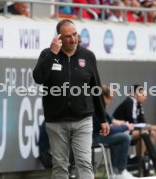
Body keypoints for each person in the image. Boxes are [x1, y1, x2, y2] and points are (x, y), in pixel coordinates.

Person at [33, 19, 109, 179]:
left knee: (84, 163)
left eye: (75, 34)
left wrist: (103, 118)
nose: (73, 39)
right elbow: (38, 78)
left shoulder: (87, 56)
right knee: (60, 165)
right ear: (59, 37)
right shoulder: (47, 54)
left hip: (83, 120)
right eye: (68, 36)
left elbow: (96, 88)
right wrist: (53, 53)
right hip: (56, 121)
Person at [113, 85, 156, 176]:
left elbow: (142, 122)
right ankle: (139, 163)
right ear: (135, 94)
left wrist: (152, 128)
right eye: (143, 94)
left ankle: (147, 161)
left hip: (132, 131)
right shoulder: (130, 102)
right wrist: (153, 127)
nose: (145, 97)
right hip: (120, 132)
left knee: (152, 133)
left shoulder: (139, 105)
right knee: (144, 132)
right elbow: (135, 124)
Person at [93, 85, 136, 179]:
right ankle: (120, 171)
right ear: (103, 97)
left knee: (121, 137)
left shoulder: (100, 107)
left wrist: (123, 123)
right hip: (94, 138)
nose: (109, 102)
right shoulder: (95, 109)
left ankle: (115, 172)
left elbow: (113, 121)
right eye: (109, 99)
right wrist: (126, 126)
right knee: (124, 138)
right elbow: (109, 130)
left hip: (101, 135)